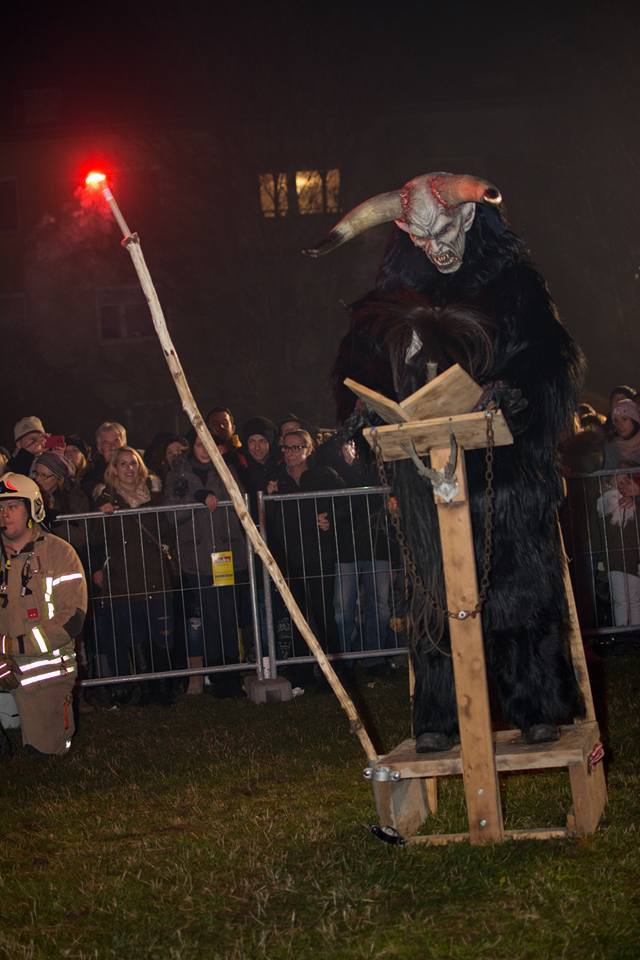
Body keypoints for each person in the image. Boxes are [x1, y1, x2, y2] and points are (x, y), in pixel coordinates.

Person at [308, 169, 585, 750]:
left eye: (445, 231)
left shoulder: (514, 287)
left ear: (471, 217)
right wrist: (362, 409)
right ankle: (439, 715)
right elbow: (359, 367)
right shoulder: (386, 304)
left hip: (506, 472)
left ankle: (537, 703)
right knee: (433, 592)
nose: (436, 248)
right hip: (427, 474)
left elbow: (548, 358)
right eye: (420, 237)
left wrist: (515, 392)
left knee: (519, 583)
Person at [0, 473, 87, 755]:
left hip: (45, 669)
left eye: (12, 506)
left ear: (33, 509)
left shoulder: (59, 553)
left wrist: (15, 647)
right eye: (0, 507)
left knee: (45, 754)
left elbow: (71, 619)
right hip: (3, 660)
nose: (4, 514)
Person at [164, 432, 248, 695]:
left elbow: (240, 503)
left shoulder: (226, 469)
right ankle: (215, 672)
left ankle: (231, 672)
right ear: (192, 446)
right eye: (200, 444)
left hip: (224, 552)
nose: (204, 449)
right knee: (209, 614)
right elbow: (172, 515)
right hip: (196, 556)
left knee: (227, 612)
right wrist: (196, 499)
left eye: (209, 444)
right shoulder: (178, 473)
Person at [92, 446, 177, 706]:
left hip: (155, 574)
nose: (129, 468)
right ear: (114, 469)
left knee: (161, 634)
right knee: (134, 634)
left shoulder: (155, 494)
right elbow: (96, 539)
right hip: (124, 577)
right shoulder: (106, 499)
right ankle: (144, 689)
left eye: (133, 463)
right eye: (123, 464)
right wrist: (102, 513)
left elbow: (167, 529)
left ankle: (165, 687)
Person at [265, 429, 341, 661]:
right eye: (286, 447)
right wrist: (268, 498)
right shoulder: (276, 478)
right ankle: (302, 667)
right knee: (295, 613)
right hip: (289, 556)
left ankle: (332, 666)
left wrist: (330, 520)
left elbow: (346, 503)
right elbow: (264, 517)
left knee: (323, 611)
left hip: (319, 554)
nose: (290, 452)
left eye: (296, 447)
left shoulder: (325, 475)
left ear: (309, 449)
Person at [596, 465, 640, 627]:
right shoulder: (607, 499)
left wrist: (635, 497)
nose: (622, 486)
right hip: (616, 559)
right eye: (618, 482)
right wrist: (611, 488)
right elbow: (607, 503)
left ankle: (633, 632)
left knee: (634, 600)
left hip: (632, 559)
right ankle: (623, 633)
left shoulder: (633, 503)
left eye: (626, 481)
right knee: (621, 600)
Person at [82, 421, 127, 500]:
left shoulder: (137, 467)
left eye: (116, 441)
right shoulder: (91, 476)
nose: (112, 446)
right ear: (100, 447)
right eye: (106, 442)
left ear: (123, 443)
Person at [206, 407, 248, 475]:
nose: (221, 426)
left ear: (233, 428)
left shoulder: (247, 452)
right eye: (215, 424)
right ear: (209, 430)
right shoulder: (204, 455)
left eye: (225, 422)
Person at [602, 398, 640, 469]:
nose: (620, 425)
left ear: (635, 419)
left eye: (624, 419)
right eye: (616, 421)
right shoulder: (611, 447)